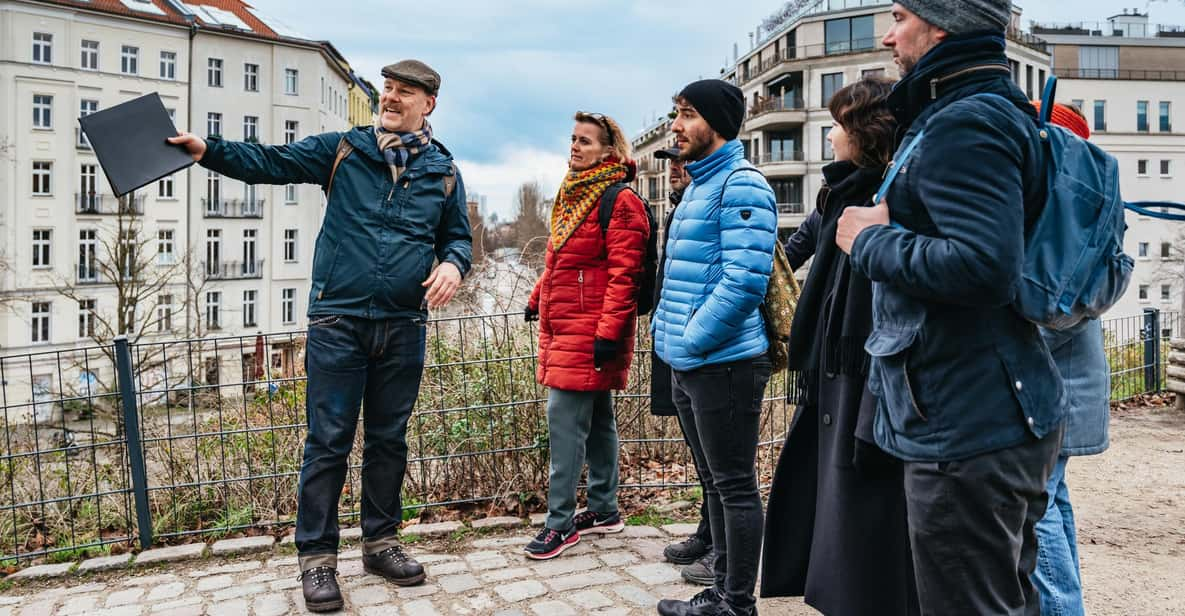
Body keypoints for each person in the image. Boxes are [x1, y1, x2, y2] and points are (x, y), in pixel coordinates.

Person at [169, 59, 471, 613]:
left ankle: (382, 544)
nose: (392, 98)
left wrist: (453, 264)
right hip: (338, 320)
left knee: (388, 440)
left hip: (404, 325)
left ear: (429, 104)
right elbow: (269, 161)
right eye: (388, 89)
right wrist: (206, 150)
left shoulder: (444, 171)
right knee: (328, 442)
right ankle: (317, 560)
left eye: (405, 92)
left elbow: (458, 238)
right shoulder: (345, 150)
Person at [834, 2, 1066, 614]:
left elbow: (985, 266)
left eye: (900, 16)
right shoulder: (972, 110)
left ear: (942, 26)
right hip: (984, 409)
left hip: (965, 424)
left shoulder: (967, 122)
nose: (887, 35)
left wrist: (870, 240)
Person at [760, 77, 919, 616]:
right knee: (831, 499)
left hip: (863, 369)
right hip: (830, 366)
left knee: (861, 504)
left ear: (863, 132)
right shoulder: (837, 191)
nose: (829, 136)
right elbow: (798, 245)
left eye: (837, 126)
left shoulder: (887, 196)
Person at [652, 79, 778, 616]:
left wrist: (691, 338)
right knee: (715, 482)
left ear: (717, 123)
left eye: (686, 115)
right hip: (691, 362)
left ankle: (736, 602)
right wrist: (673, 341)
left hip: (723, 362)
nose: (675, 126)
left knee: (734, 486)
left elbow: (745, 282)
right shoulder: (702, 184)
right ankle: (721, 590)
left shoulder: (741, 184)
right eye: (675, 114)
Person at [522, 111, 650, 560]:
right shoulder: (572, 194)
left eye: (586, 142)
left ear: (609, 152)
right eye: (573, 139)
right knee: (597, 421)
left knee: (564, 424)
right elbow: (562, 260)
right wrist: (538, 296)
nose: (575, 147)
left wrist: (610, 333)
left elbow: (624, 274)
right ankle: (603, 509)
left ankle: (559, 525)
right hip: (569, 326)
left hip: (591, 331)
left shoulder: (619, 201)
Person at [1030, 101, 1107, 616]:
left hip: (1058, 393)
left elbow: (1059, 307)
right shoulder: (1081, 206)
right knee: (1052, 502)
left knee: (1035, 512)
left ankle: (1062, 610)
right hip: (1068, 390)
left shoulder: (1067, 215)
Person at [651, 146, 715, 587]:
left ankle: (723, 552)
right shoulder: (681, 209)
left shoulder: (716, 201)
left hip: (705, 348)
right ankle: (708, 534)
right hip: (677, 342)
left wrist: (693, 336)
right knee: (703, 457)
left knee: (722, 463)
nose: (675, 168)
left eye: (683, 160)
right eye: (671, 162)